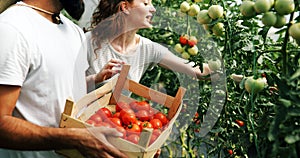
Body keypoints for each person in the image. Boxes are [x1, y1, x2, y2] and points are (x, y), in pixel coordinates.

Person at [0, 0, 128, 158]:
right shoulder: (12, 28)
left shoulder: (73, 31)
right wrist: (73, 139)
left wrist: (129, 145)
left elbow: (55, 89)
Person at [85, 0, 211, 87]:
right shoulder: (90, 41)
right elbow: (67, 85)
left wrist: (222, 72)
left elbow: (195, 70)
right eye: (145, 3)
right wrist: (96, 79)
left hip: (115, 122)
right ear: (125, 7)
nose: (153, 9)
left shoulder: (148, 49)